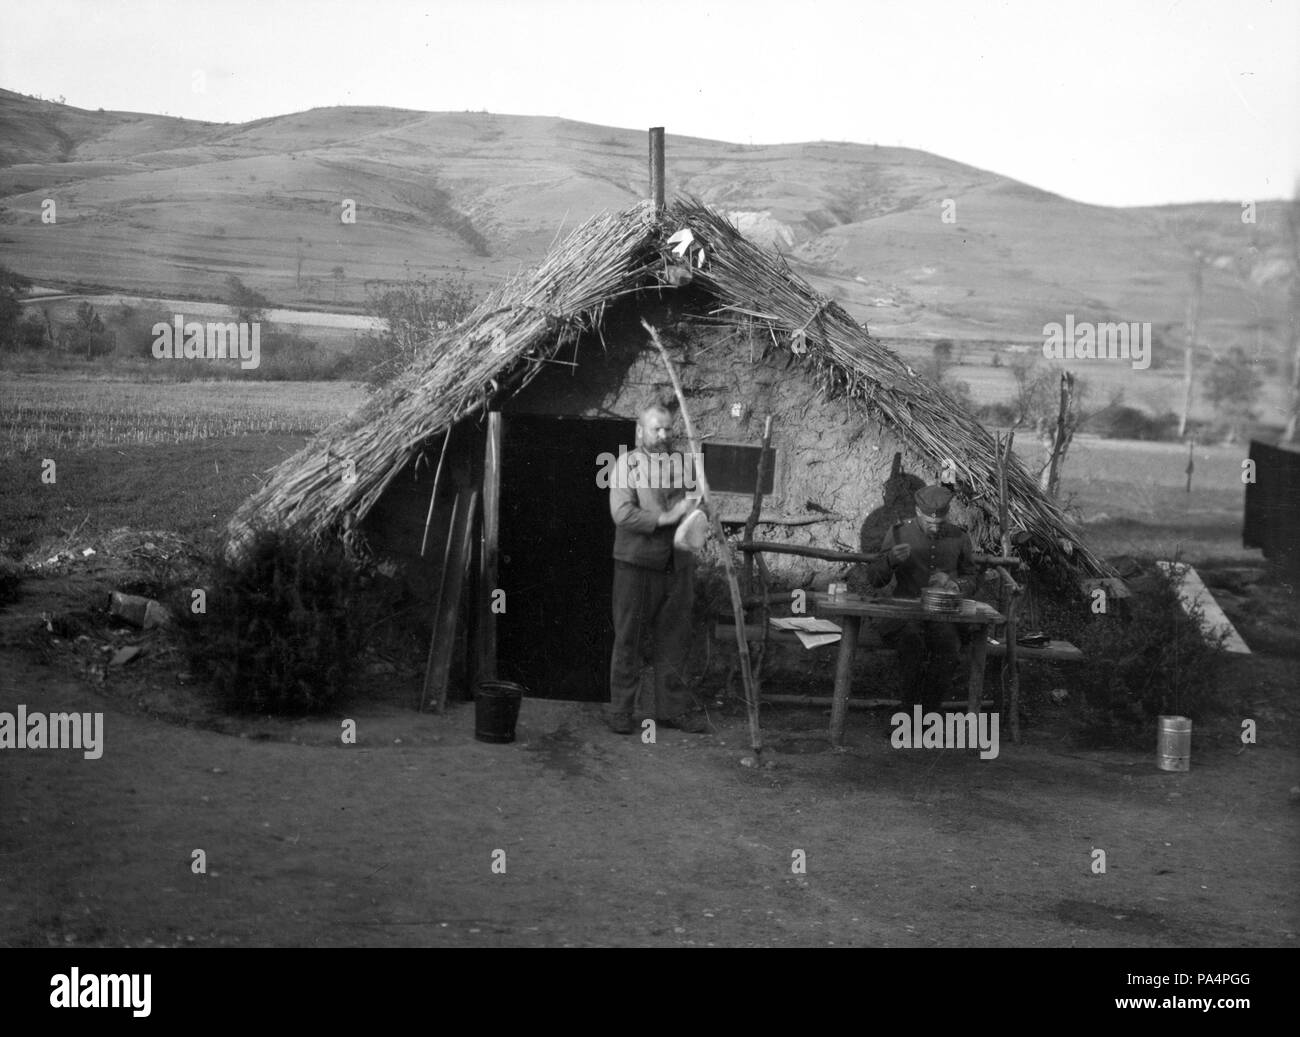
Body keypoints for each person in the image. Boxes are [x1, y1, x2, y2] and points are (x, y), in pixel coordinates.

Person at [606, 404, 711, 735]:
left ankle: (671, 710)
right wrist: (666, 518)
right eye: (657, 429)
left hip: (678, 564)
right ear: (641, 431)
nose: (664, 435)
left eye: (668, 429)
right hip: (637, 564)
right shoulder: (627, 465)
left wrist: (698, 511)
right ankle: (622, 712)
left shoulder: (683, 463)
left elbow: (698, 503)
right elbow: (622, 514)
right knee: (629, 640)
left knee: (676, 640)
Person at [866, 483, 978, 712]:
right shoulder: (899, 532)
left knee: (948, 648)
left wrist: (955, 584)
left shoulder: (959, 537)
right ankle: (907, 713)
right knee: (911, 643)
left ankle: (928, 715)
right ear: (918, 512)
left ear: (946, 516)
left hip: (943, 616)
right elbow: (875, 579)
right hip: (905, 614)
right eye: (929, 523)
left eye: (939, 523)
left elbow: (972, 577)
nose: (935, 528)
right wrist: (890, 561)